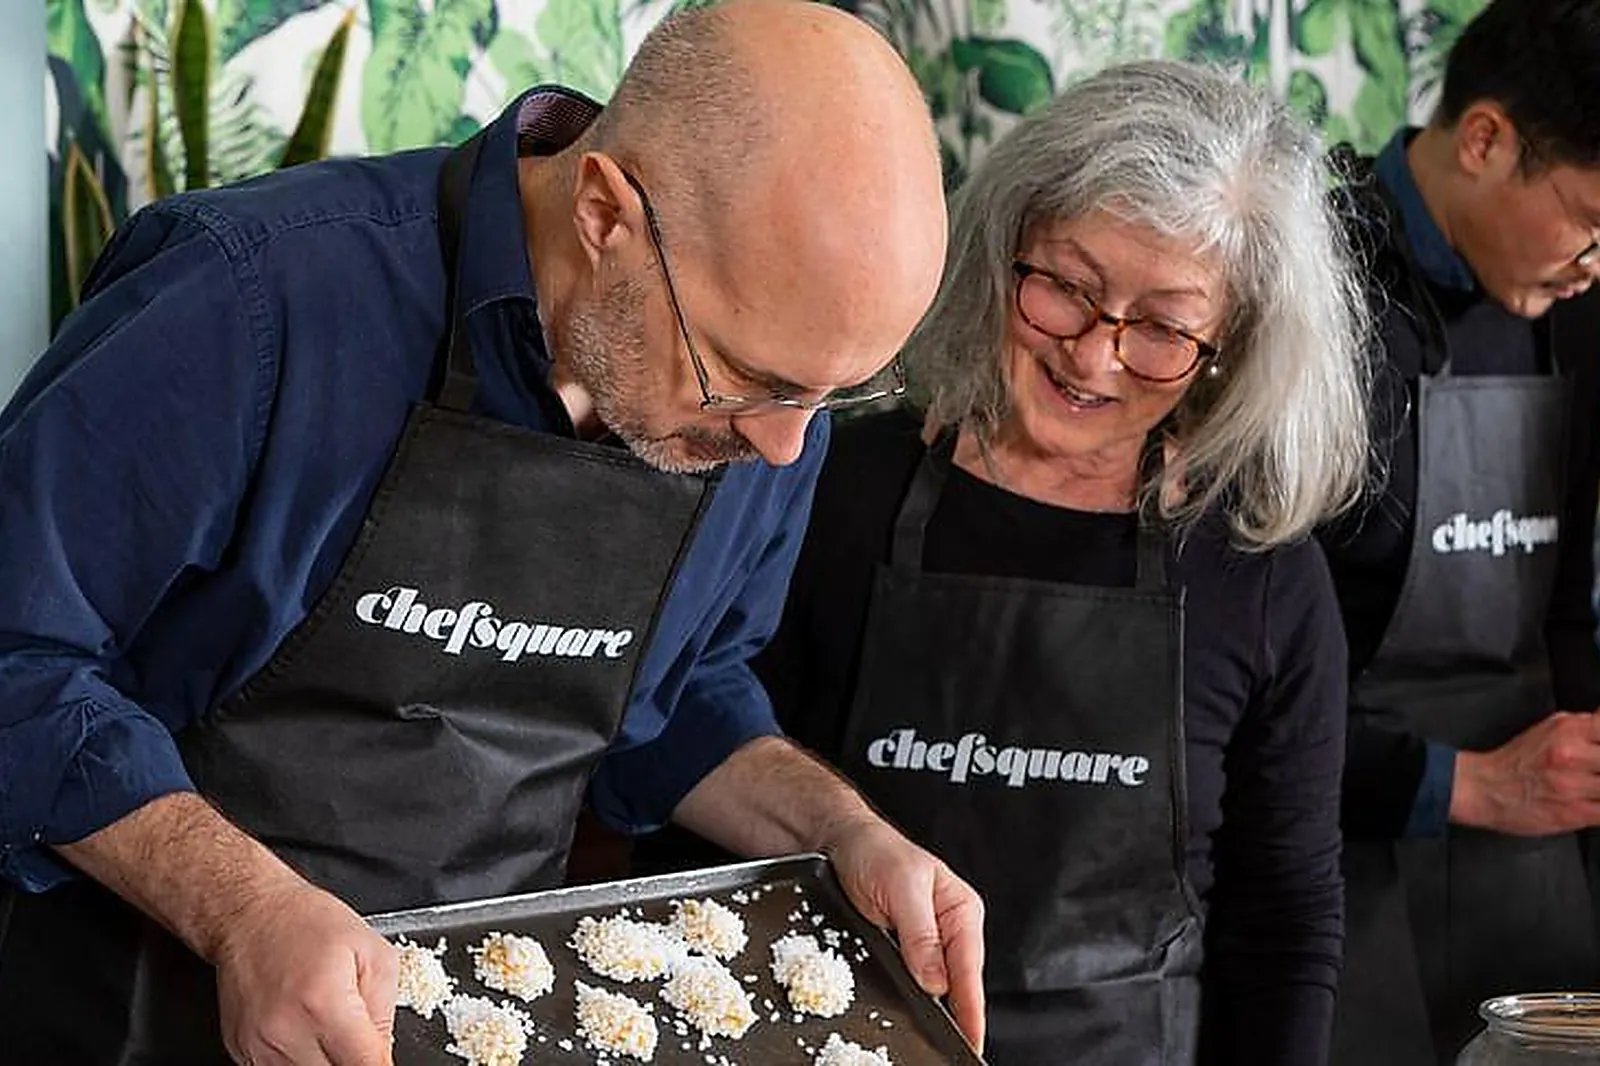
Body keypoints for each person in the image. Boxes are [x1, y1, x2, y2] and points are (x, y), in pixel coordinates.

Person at [0, 3, 989, 1063]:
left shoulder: (769, 406)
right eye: (746, 378)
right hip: (132, 1007)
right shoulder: (249, 296)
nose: (786, 447)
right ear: (604, 212)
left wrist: (839, 832)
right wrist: (241, 911)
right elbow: (20, 658)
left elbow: (682, 698)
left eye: (833, 397)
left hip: (480, 1022)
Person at [643, 59, 1371, 1065]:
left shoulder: (1257, 574)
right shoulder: (837, 482)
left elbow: (1284, 921)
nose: (1094, 355)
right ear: (1002, 248)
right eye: (1066, 288)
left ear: (1231, 347)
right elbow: (697, 772)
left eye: (1163, 328)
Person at [1318, 2, 1600, 1063]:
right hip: (1332, 844)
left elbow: (1569, 606)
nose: (1597, 263)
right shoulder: (1312, 282)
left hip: (1529, 859)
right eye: (1590, 221)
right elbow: (1228, 669)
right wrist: (1468, 785)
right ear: (1483, 138)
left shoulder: (1574, 309)